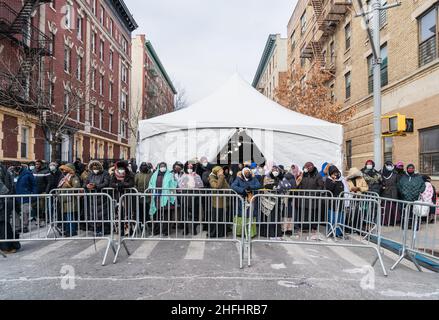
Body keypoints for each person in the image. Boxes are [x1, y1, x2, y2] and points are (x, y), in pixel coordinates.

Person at [148, 162, 178, 236]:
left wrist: (174, 181)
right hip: (157, 197)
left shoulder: (170, 175)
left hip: (167, 198)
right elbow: (150, 184)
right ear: (158, 167)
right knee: (156, 215)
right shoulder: (154, 175)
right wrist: (151, 189)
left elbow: (174, 184)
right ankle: (156, 230)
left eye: (164, 166)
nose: (162, 167)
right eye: (161, 166)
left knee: (166, 215)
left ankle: (166, 231)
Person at [178, 161, 204, 235]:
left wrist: (194, 178)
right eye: (188, 167)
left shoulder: (197, 176)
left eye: (191, 167)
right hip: (185, 196)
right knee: (184, 214)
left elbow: (200, 186)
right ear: (186, 168)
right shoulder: (183, 176)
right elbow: (180, 186)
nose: (190, 169)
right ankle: (185, 229)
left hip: (195, 196)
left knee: (195, 214)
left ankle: (194, 228)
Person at [398, 164, 426, 230]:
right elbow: (399, 185)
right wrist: (402, 192)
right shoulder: (403, 177)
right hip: (405, 198)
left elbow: (423, 186)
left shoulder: (418, 177)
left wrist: (419, 191)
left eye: (412, 168)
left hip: (415, 199)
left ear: (414, 169)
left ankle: (415, 226)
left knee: (415, 213)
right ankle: (405, 226)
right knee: (405, 213)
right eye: (409, 168)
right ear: (407, 169)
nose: (410, 169)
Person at [57, 164, 82, 237]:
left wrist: (67, 191)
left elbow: (76, 187)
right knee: (66, 217)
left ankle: (72, 231)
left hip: (70, 200)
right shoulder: (65, 177)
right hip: (65, 200)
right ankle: (67, 230)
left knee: (70, 216)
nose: (64, 171)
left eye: (65, 169)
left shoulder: (74, 177)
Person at [0, 164, 18, 254]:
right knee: (4, 224)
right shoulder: (5, 171)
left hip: (4, 202)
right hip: (5, 201)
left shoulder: (5, 171)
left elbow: (5, 190)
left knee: (3, 225)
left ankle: (6, 247)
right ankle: (7, 246)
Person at [13, 163, 36, 234]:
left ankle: (24, 226)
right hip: (14, 195)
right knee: (15, 212)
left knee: (25, 212)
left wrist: (34, 194)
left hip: (25, 195)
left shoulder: (27, 173)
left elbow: (34, 184)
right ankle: (17, 227)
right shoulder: (12, 173)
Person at [208, 166, 230, 238]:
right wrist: (220, 177)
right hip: (217, 202)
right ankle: (214, 233)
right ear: (216, 172)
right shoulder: (212, 178)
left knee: (222, 218)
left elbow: (227, 186)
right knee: (216, 218)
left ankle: (221, 233)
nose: (222, 172)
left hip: (224, 201)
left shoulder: (222, 177)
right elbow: (217, 186)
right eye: (220, 171)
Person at [380, 161, 401, 226]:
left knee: (393, 208)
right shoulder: (381, 174)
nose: (389, 166)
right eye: (388, 165)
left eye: (390, 165)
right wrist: (382, 186)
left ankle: (394, 221)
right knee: (386, 208)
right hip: (384, 193)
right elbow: (379, 182)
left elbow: (398, 183)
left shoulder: (395, 174)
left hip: (393, 193)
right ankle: (386, 222)